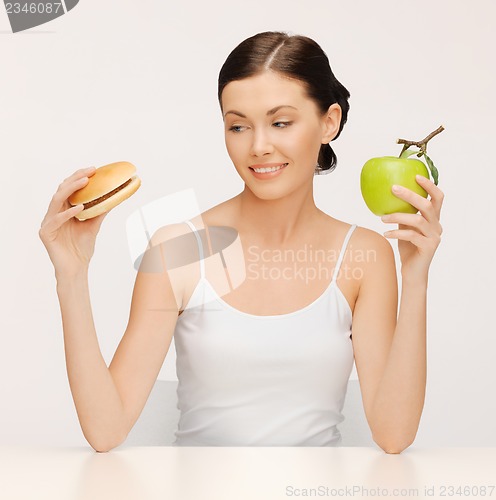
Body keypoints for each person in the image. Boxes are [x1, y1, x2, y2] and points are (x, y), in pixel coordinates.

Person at [39, 31, 444, 453]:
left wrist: (415, 277)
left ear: (329, 122)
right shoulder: (178, 249)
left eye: (281, 122)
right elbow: (106, 431)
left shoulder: (364, 256)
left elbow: (394, 435)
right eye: (238, 126)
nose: (258, 146)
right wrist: (71, 275)